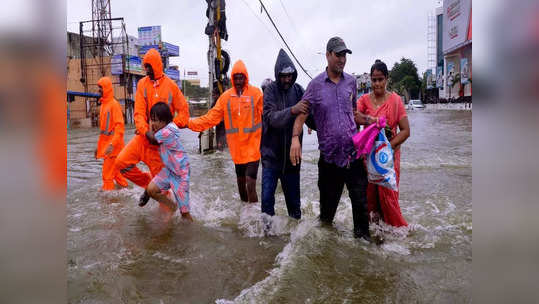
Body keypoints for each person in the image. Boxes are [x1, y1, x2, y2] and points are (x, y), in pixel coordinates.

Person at [289, 37, 373, 241]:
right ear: (328, 55)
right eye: (338, 54)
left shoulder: (351, 82)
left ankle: (363, 251)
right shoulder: (315, 85)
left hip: (353, 156)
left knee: (361, 208)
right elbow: (301, 115)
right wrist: (295, 139)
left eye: (344, 55)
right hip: (329, 161)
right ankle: (326, 252)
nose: (342, 59)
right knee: (327, 216)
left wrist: (372, 120)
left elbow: (353, 113)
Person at [114, 48, 190, 204]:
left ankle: (170, 212)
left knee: (163, 194)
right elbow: (139, 114)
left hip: (161, 147)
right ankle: (148, 184)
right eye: (145, 66)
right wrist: (146, 132)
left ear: (156, 65)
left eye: (149, 66)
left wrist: (167, 131)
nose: (146, 70)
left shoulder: (171, 86)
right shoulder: (142, 84)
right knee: (121, 163)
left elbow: (184, 113)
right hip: (144, 139)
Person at [187, 60, 263, 203]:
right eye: (236, 78)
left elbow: (269, 114)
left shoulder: (256, 93)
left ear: (246, 78)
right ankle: (245, 212)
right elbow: (210, 118)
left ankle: (254, 216)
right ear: (233, 79)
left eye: (241, 77)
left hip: (253, 148)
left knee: (250, 183)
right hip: (237, 150)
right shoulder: (226, 98)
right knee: (241, 184)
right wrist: (189, 123)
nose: (239, 81)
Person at [356, 59, 410, 227]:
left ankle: (397, 233)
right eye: (374, 79)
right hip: (369, 158)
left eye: (380, 79)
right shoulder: (364, 100)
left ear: (387, 79)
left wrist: (388, 147)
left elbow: (406, 130)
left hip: (389, 157)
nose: (377, 83)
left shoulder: (395, 101)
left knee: (389, 197)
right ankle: (375, 233)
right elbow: (354, 118)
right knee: (370, 197)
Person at [261, 49, 313, 220]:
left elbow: (310, 117)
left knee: (294, 208)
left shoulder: (299, 90)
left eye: (290, 76)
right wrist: (293, 110)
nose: (287, 79)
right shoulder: (269, 91)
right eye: (283, 76)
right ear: (277, 74)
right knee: (267, 204)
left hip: (292, 160)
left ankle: (294, 240)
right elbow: (271, 118)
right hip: (271, 158)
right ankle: (266, 238)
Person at [139, 102, 193, 221]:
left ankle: (191, 234)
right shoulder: (165, 128)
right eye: (151, 120)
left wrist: (144, 129)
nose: (153, 123)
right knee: (151, 190)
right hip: (169, 170)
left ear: (164, 121)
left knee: (185, 214)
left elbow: (152, 139)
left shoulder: (167, 131)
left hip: (181, 174)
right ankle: (172, 206)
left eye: (155, 120)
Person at [94, 76, 128, 191]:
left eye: (101, 88)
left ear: (107, 89)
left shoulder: (113, 105)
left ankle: (108, 203)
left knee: (107, 176)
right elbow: (104, 132)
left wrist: (112, 144)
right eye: (98, 88)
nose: (99, 90)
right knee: (117, 175)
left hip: (113, 148)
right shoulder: (104, 104)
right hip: (109, 148)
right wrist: (98, 148)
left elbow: (120, 128)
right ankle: (127, 193)